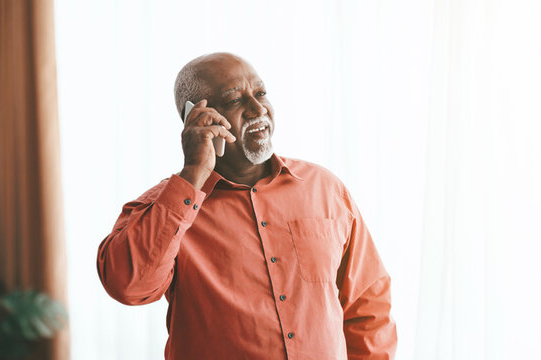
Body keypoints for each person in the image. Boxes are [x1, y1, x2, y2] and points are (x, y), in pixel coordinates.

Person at [96, 52, 397, 359]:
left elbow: (367, 303)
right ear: (197, 118)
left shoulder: (325, 189)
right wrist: (192, 175)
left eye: (261, 94)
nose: (257, 109)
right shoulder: (165, 207)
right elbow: (128, 286)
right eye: (235, 100)